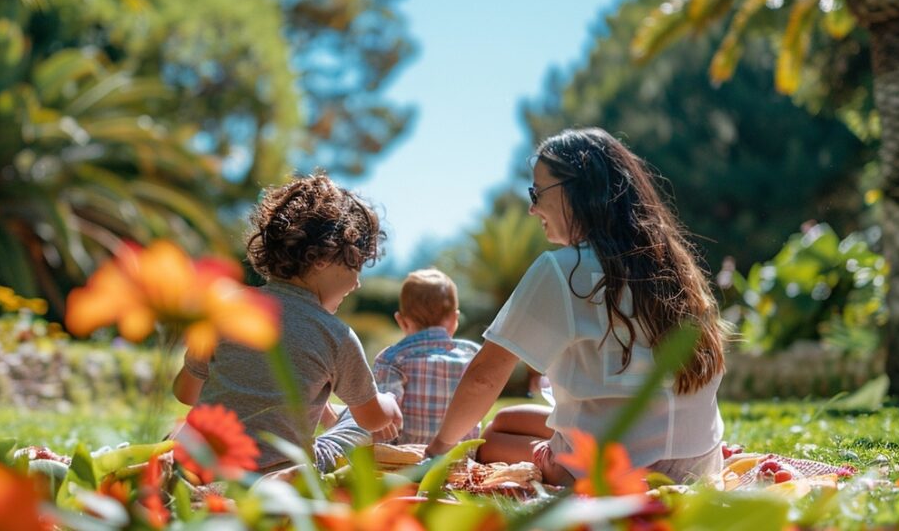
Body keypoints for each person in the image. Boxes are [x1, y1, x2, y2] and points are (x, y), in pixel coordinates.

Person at [423, 128, 729, 485]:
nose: (532, 207)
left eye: (537, 192)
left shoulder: (563, 269)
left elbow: (485, 377)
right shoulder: (674, 264)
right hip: (697, 463)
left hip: (617, 473)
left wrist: (438, 450)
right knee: (505, 420)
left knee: (490, 437)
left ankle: (559, 463)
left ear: (575, 191)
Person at [172, 172, 403, 473]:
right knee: (354, 427)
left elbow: (185, 393)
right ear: (325, 257)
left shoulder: (227, 306)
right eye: (356, 266)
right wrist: (388, 401)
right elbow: (373, 419)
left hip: (202, 465)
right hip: (279, 471)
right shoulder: (336, 335)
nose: (358, 283)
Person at [372, 268, 481, 446]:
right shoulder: (473, 355)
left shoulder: (391, 359)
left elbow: (385, 422)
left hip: (408, 461)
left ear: (402, 321)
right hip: (463, 461)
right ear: (455, 319)